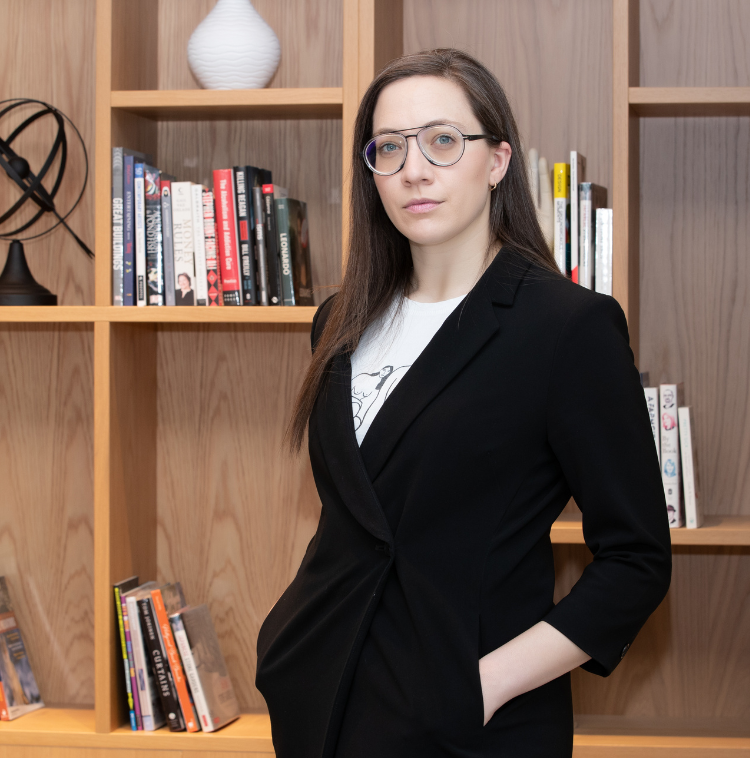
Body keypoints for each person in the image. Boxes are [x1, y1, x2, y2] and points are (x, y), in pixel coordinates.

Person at [255, 49, 672, 758]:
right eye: (389, 148)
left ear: (498, 160)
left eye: (443, 141)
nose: (414, 169)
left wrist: (480, 687)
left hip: (470, 728)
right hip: (320, 704)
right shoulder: (338, 321)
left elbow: (636, 561)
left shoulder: (567, 328)